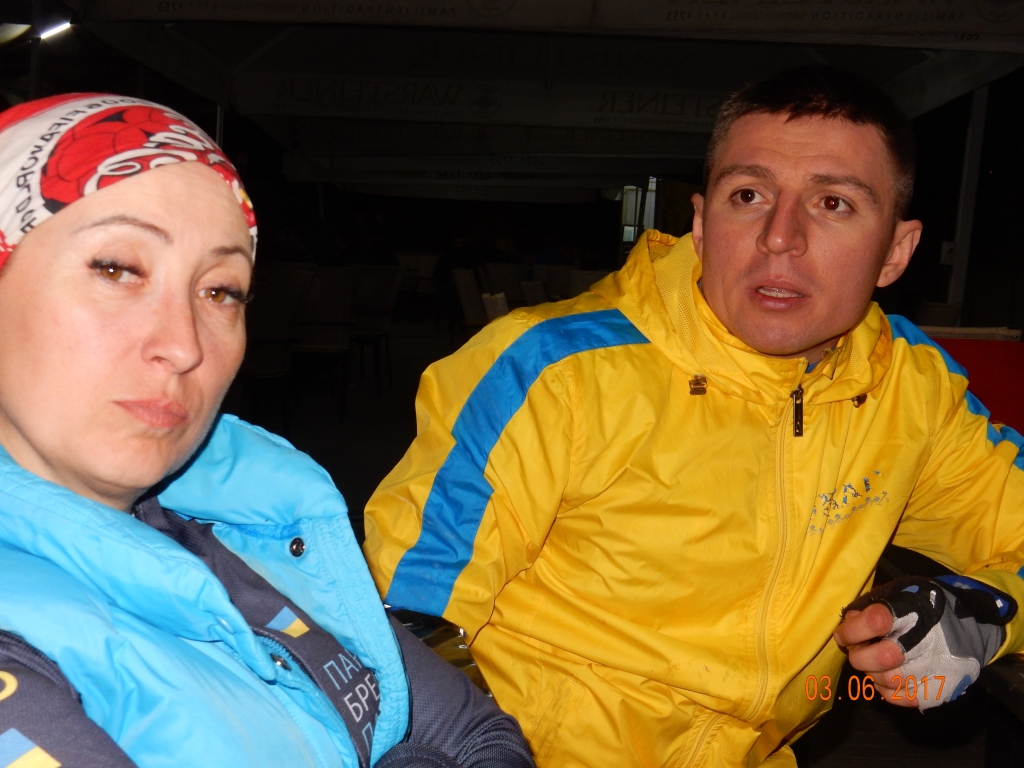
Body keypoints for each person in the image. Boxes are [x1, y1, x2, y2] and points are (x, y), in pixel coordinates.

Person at [363, 66, 1024, 766]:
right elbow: (397, 631)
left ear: (895, 251)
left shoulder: (907, 391)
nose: (780, 237)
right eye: (749, 195)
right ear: (703, 226)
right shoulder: (553, 373)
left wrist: (983, 614)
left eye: (833, 203)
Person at [0, 93, 535, 768]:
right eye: (117, 268)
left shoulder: (245, 524)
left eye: (220, 290)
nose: (185, 344)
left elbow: (483, 736)